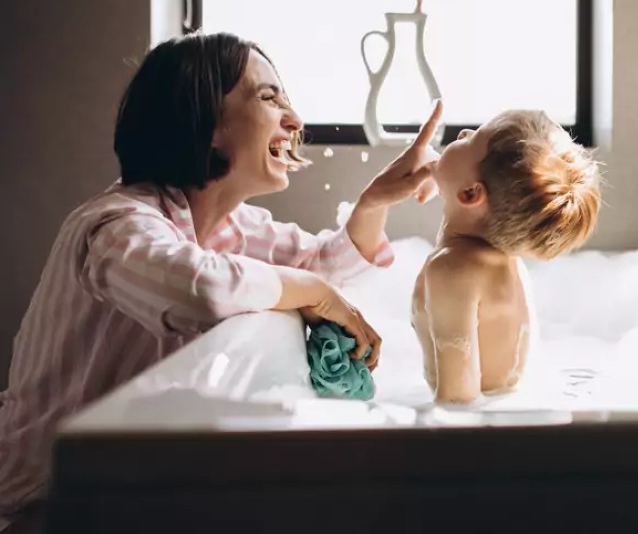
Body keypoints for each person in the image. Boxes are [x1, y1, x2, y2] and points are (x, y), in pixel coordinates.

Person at [0, 32, 442, 529]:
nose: (295, 121)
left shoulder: (234, 226)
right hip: (35, 507)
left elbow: (323, 262)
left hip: (113, 488)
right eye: (270, 98)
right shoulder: (114, 224)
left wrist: (375, 201)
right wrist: (313, 292)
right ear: (205, 121)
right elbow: (201, 290)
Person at [410, 110, 601, 404]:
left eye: (472, 139)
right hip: (502, 405)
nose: (463, 133)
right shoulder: (501, 255)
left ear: (470, 194)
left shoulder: (452, 271)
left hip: (479, 419)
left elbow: (457, 399)